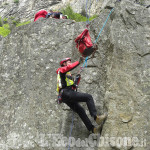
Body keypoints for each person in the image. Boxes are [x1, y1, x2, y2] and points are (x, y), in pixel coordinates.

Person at [56, 57, 107, 133]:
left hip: (65, 95)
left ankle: (93, 129)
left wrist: (77, 79)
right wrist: (78, 62)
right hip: (66, 93)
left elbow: (73, 87)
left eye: (70, 61)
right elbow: (69, 67)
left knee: (80, 110)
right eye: (68, 61)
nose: (70, 62)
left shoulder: (67, 74)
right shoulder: (61, 70)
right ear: (64, 63)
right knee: (88, 97)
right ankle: (96, 117)